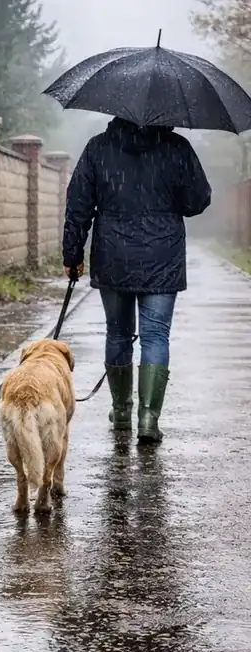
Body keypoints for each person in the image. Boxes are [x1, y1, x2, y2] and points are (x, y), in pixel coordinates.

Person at [62, 116, 212, 444]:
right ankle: (148, 418)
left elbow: (78, 205)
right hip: (163, 254)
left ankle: (121, 411)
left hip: (114, 253)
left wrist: (72, 255)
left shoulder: (99, 148)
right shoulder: (177, 149)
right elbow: (197, 202)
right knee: (155, 336)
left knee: (118, 332)